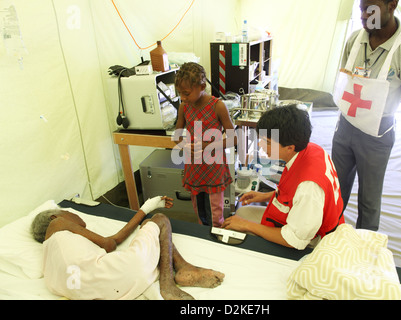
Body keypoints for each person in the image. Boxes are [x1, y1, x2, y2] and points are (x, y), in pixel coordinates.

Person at [332, 0, 401, 231]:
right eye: (361, 9)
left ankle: (364, 249)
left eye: (370, 10)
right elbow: (346, 75)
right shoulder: (355, 39)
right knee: (335, 191)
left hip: (377, 133)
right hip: (345, 125)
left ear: (392, 5)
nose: (364, 15)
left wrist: (385, 98)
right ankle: (330, 237)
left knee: (369, 200)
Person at [31, 196, 225, 300]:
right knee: (159, 220)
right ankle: (170, 281)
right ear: (54, 218)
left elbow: (113, 240)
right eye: (66, 212)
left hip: (105, 292)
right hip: (126, 271)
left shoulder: (51, 260)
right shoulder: (57, 225)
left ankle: (181, 267)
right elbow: (109, 244)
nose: (73, 215)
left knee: (148, 226)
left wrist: (144, 208)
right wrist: (150, 212)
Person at [222, 105, 345, 250]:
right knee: (242, 212)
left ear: (289, 147)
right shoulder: (313, 149)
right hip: (305, 219)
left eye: (267, 143)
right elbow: (294, 192)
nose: (261, 146)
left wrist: (246, 225)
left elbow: (294, 240)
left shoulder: (309, 187)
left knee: (237, 226)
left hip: (313, 240)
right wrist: (266, 196)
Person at [174, 62, 235, 227]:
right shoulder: (184, 107)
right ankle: (203, 235)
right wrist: (185, 144)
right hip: (194, 166)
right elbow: (177, 136)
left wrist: (209, 145)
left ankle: (217, 234)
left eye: (186, 93)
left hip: (213, 166)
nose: (183, 98)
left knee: (215, 210)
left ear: (202, 86)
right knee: (199, 208)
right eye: (180, 93)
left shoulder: (218, 106)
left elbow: (233, 139)